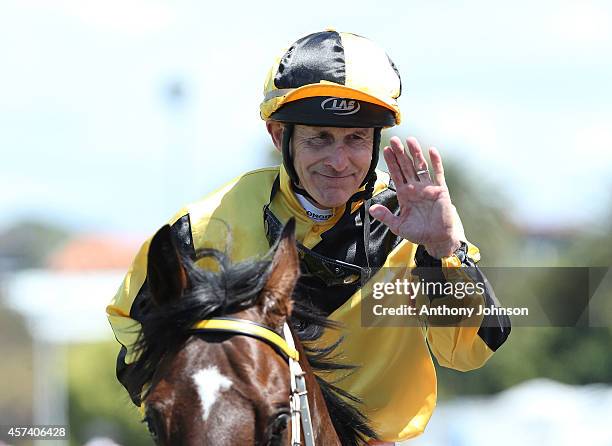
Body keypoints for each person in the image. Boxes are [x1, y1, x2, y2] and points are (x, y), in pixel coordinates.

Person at [106, 30, 511, 444]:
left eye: (356, 139)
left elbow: (467, 351)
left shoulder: (416, 220)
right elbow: (137, 338)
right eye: (319, 138)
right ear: (280, 136)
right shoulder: (199, 228)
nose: (339, 162)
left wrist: (441, 251)